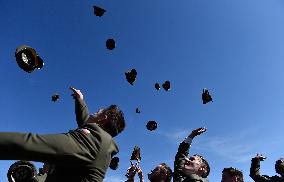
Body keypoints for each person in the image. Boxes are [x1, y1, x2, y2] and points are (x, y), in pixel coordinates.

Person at [0, 87, 126, 182]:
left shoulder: (94, 140)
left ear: (103, 118)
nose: (94, 111)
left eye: (98, 111)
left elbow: (30, 143)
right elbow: (86, 121)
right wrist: (80, 100)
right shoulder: (102, 145)